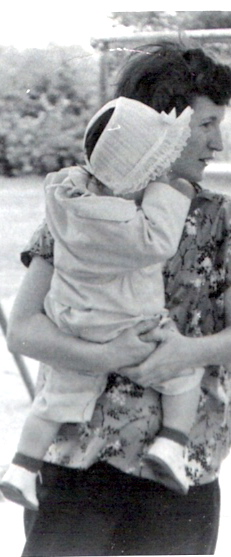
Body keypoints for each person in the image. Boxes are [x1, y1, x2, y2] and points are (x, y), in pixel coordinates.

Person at [4, 41, 231, 556]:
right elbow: (23, 329)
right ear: (159, 127)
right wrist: (103, 357)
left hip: (178, 468)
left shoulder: (223, 219)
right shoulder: (75, 208)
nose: (218, 143)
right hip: (78, 456)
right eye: (207, 124)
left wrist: (185, 353)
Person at [0, 95, 206, 510]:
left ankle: (21, 468)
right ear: (138, 176)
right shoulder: (126, 225)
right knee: (184, 372)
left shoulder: (66, 199)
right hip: (123, 320)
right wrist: (171, 191)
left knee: (57, 395)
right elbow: (159, 241)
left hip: (71, 318)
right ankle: (171, 444)